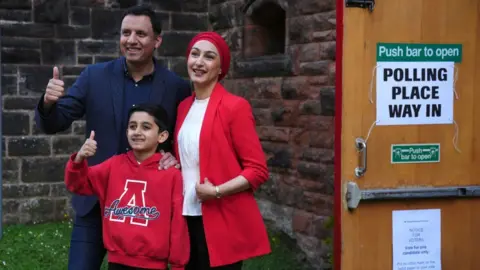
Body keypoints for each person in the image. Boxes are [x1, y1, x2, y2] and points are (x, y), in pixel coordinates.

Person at [34, 5, 190, 270]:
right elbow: (55, 122)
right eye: (125, 32)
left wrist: (171, 155)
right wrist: (48, 104)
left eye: (141, 34)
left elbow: (182, 138)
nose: (131, 40)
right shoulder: (94, 77)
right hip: (94, 203)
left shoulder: (175, 86)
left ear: (157, 40)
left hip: (144, 210)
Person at [174, 31, 271, 270]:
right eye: (194, 54)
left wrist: (216, 191)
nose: (198, 62)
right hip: (185, 214)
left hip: (219, 217)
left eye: (208, 57)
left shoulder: (235, 107)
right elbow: (188, 159)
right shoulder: (184, 107)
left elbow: (257, 170)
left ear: (220, 68)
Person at [64, 103, 189, 270]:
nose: (137, 132)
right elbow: (78, 185)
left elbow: (178, 225)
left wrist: (178, 265)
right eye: (132, 126)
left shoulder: (170, 174)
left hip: (153, 265)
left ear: (162, 136)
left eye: (146, 127)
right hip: (117, 261)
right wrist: (79, 160)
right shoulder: (114, 165)